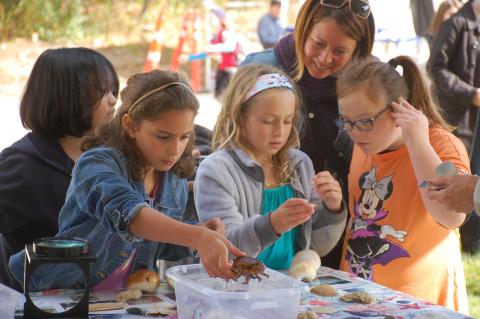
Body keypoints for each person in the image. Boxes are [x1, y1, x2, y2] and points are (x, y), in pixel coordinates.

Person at [9, 70, 244, 291]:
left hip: (129, 299)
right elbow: (129, 215)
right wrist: (196, 237)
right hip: (64, 293)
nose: (175, 149)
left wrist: (197, 234)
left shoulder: (173, 178)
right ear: (131, 125)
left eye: (184, 137)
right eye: (163, 136)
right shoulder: (96, 164)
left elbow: (156, 244)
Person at [241, 0, 375, 269]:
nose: (325, 58)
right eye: (318, 43)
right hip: (259, 232)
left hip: (336, 228)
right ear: (303, 30)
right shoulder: (261, 68)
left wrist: (335, 206)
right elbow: (231, 142)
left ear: (358, 50)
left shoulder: (368, 82)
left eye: (340, 51)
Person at [336, 55, 469, 313]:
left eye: (365, 121)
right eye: (346, 121)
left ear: (399, 108)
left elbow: (453, 215)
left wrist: (418, 144)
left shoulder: (441, 144)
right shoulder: (365, 142)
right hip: (361, 296)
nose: (354, 132)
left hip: (419, 303)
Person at [194, 64, 347, 270]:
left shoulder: (299, 164)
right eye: (268, 121)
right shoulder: (216, 171)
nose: (280, 132)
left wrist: (333, 208)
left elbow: (316, 247)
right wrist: (271, 225)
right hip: (236, 290)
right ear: (239, 116)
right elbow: (226, 250)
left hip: (288, 288)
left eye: (287, 121)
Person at [0, 47, 119, 291]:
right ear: (66, 96)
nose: (113, 99)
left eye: (113, 91)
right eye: (102, 91)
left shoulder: (109, 155)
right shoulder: (22, 168)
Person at [427, 0, 480, 254]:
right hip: (457, 120)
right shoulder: (456, 23)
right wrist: (470, 93)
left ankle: (470, 240)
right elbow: (435, 67)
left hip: (475, 120)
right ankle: (451, 237)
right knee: (454, 176)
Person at [207, 7, 241, 100]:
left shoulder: (227, 32)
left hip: (230, 69)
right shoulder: (218, 33)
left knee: (226, 98)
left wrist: (212, 47)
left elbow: (230, 46)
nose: (210, 19)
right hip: (222, 69)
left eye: (213, 17)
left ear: (220, 18)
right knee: (219, 97)